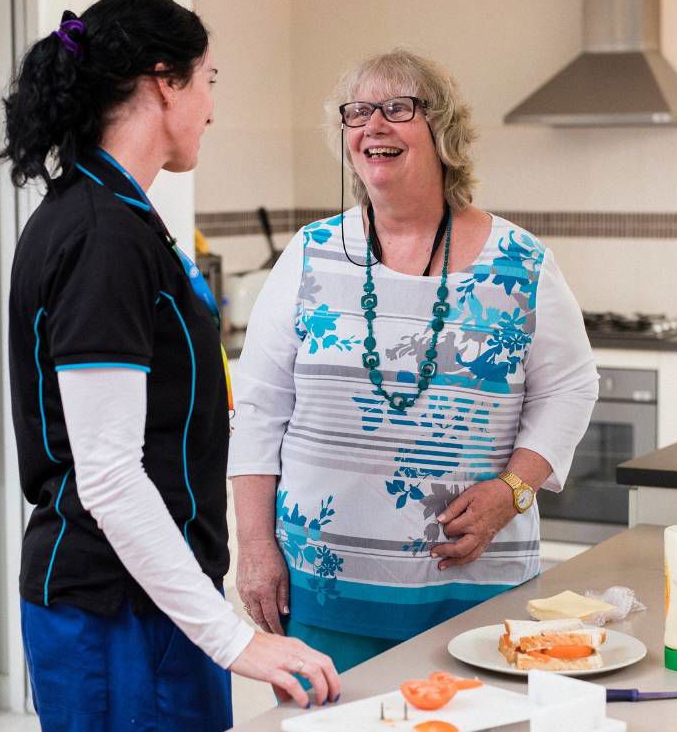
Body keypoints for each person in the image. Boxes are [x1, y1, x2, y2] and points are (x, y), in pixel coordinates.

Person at [0, 0, 338, 731]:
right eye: (209, 79)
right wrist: (235, 640)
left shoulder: (117, 215)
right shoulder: (102, 236)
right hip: (115, 612)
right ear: (165, 80)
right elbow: (111, 476)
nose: (212, 108)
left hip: (151, 601)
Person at [229, 49, 598, 671]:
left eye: (399, 108)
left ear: (444, 131)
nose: (374, 125)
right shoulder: (310, 253)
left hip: (474, 587)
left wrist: (514, 489)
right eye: (358, 112)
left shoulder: (520, 260)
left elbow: (569, 389)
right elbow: (260, 408)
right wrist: (256, 547)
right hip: (322, 590)